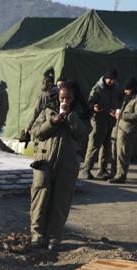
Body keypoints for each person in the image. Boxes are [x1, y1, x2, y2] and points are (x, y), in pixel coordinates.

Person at [29, 80, 91, 252]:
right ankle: (37, 235)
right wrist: (53, 122)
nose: (65, 101)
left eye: (68, 98)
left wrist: (71, 117)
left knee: (60, 202)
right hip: (44, 162)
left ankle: (54, 237)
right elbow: (36, 132)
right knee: (40, 199)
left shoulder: (81, 113)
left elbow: (84, 133)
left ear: (74, 98)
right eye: (62, 97)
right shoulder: (48, 110)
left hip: (67, 163)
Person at [109, 78, 137, 184]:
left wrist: (121, 115)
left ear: (133, 89)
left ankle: (121, 176)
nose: (125, 92)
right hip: (120, 127)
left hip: (128, 130)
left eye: (127, 90)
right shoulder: (132, 96)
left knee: (123, 153)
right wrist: (117, 115)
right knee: (115, 152)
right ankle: (114, 173)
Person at [84, 68, 119, 180]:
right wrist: (94, 107)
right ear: (105, 78)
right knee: (94, 146)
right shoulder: (97, 89)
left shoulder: (115, 88)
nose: (111, 82)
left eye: (113, 80)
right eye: (110, 79)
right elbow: (90, 103)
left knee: (106, 147)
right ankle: (86, 169)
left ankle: (102, 170)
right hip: (98, 122)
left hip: (110, 121)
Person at [20, 70, 57, 153]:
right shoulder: (59, 93)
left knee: (38, 145)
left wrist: (28, 127)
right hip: (53, 124)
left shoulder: (43, 96)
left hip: (42, 124)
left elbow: (35, 112)